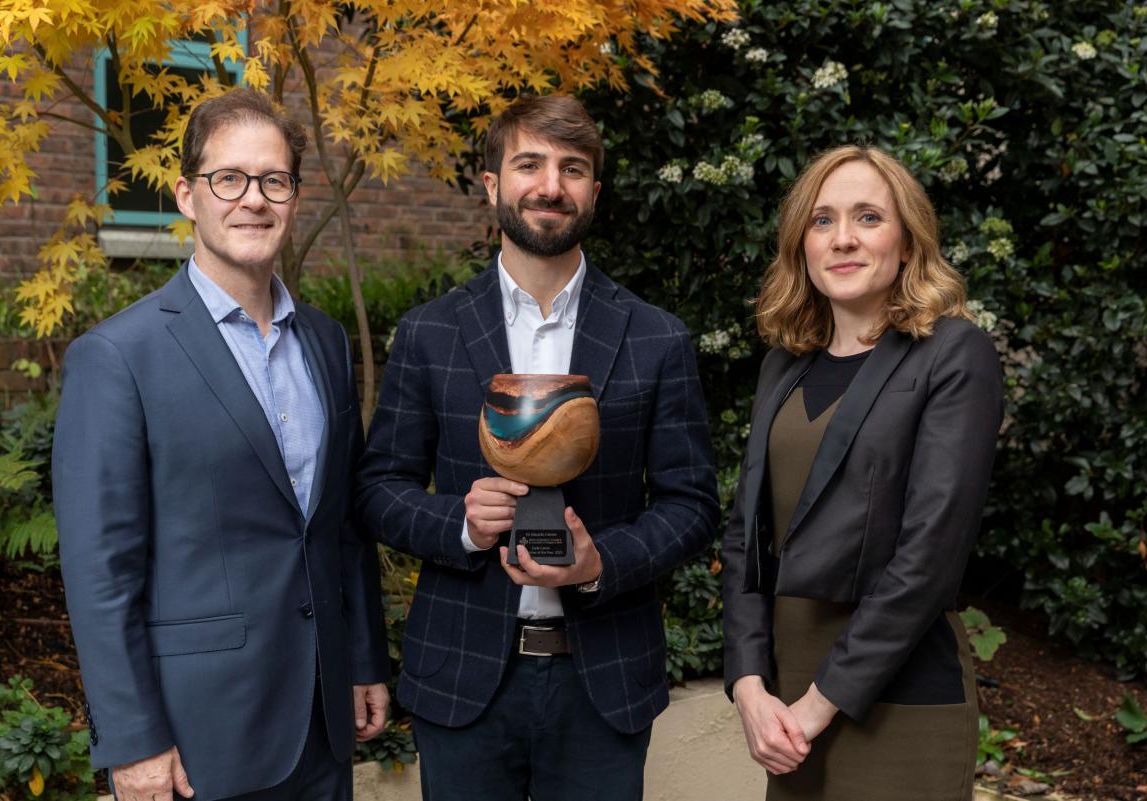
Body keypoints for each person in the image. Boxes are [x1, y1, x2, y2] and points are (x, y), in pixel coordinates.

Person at [356, 95, 719, 801]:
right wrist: (460, 522)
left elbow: (692, 503)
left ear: (593, 193)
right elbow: (379, 487)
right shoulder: (430, 333)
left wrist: (601, 560)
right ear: (493, 184)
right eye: (529, 163)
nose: (551, 185)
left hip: (603, 681)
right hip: (464, 681)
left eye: (572, 168)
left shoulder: (656, 337)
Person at [52, 88, 390, 801]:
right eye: (228, 179)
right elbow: (100, 573)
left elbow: (341, 530)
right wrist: (133, 737)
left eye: (274, 181)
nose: (254, 200)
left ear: (293, 196)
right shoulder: (117, 357)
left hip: (321, 724)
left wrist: (361, 659)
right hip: (195, 739)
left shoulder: (325, 342)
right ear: (187, 194)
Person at [721, 145, 1003, 800]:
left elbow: (929, 557)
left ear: (907, 241)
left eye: (868, 217)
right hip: (785, 702)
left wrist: (819, 704)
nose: (842, 238)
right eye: (822, 220)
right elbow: (745, 537)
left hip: (896, 701)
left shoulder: (953, 355)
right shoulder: (783, 365)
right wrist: (748, 686)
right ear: (801, 244)